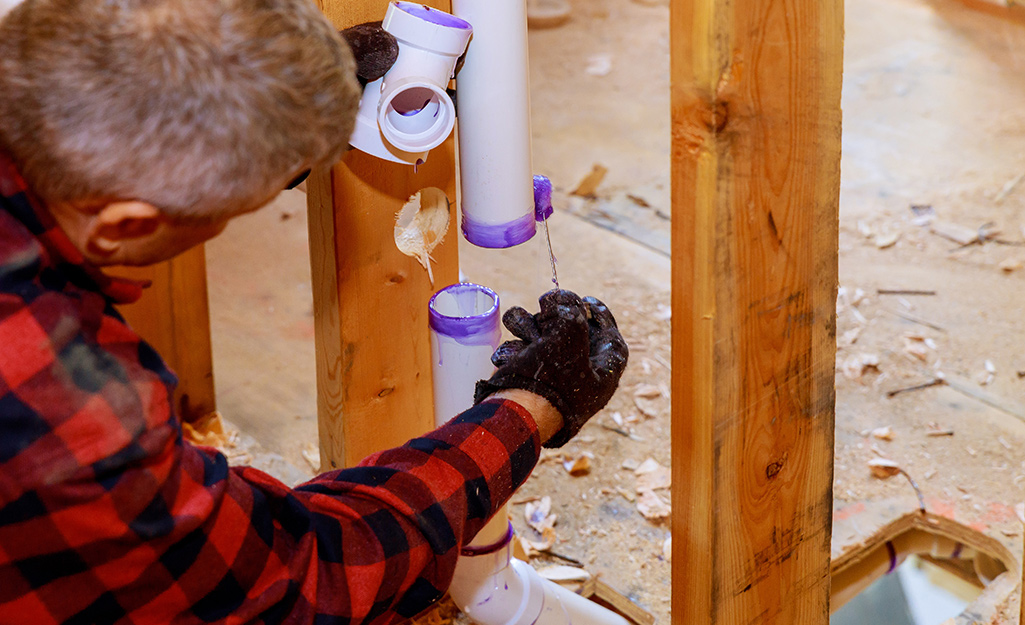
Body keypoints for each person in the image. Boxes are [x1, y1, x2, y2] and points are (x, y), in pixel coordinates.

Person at [0, 1, 629, 624]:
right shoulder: (67, 414)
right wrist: (533, 405)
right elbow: (300, 578)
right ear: (124, 227)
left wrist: (283, 113)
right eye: (225, 215)